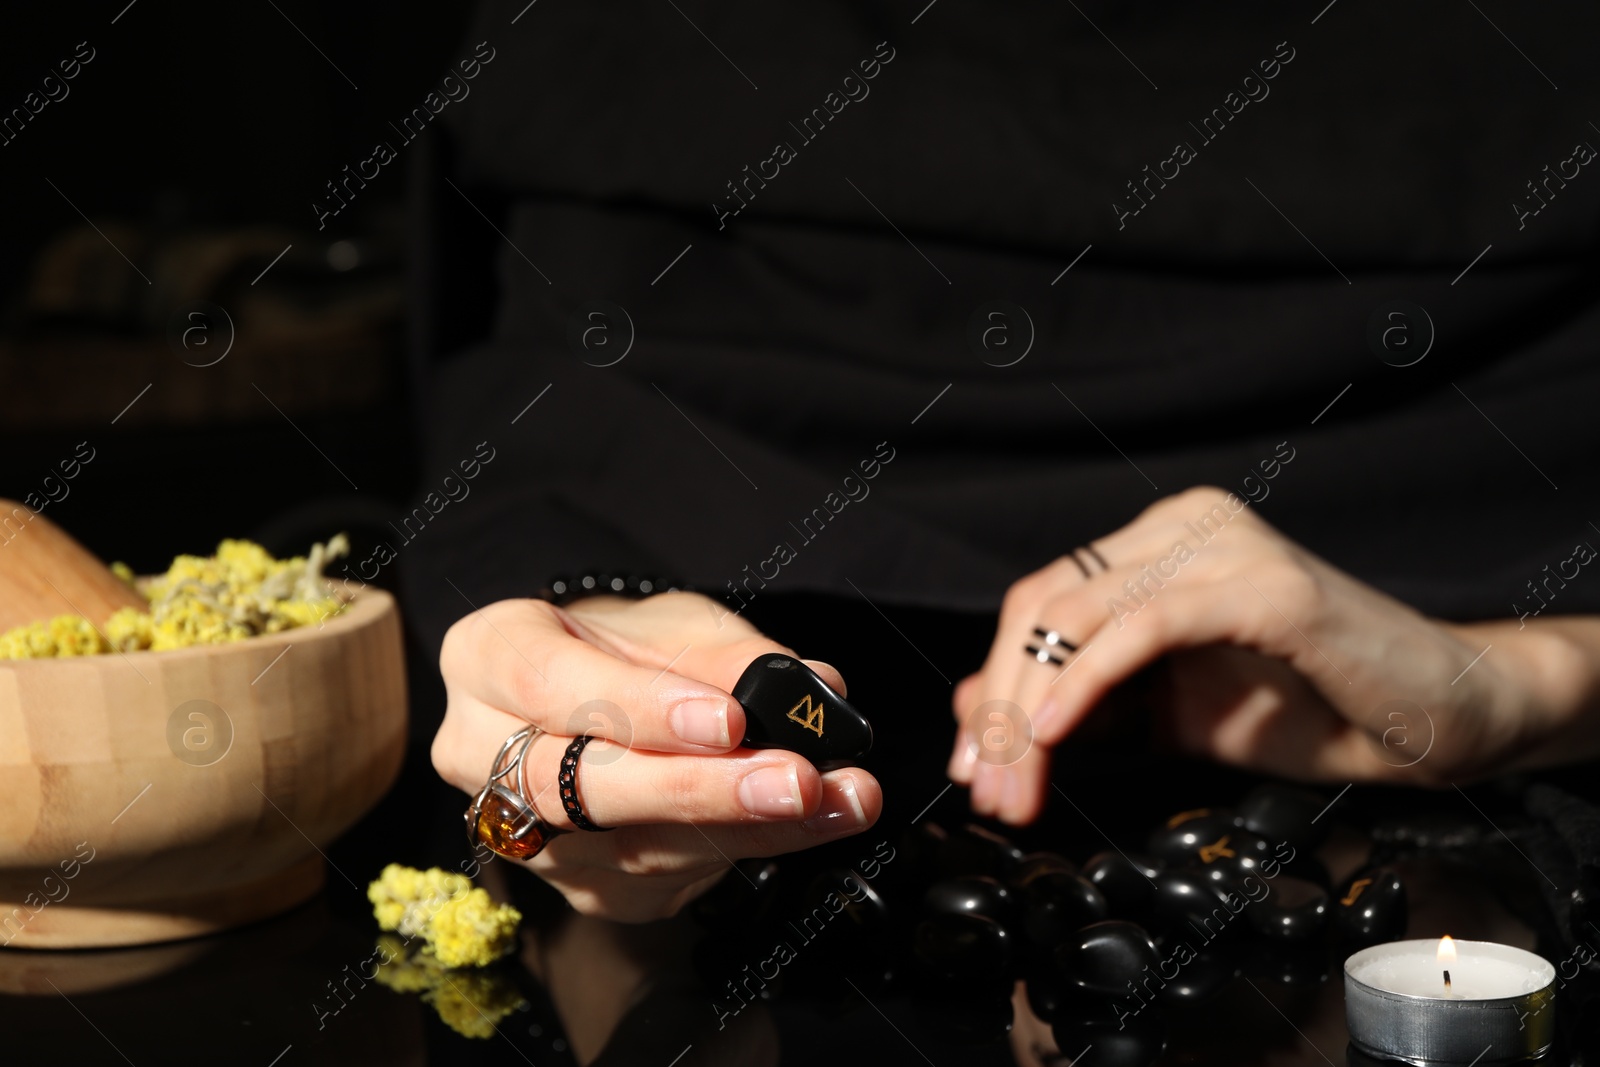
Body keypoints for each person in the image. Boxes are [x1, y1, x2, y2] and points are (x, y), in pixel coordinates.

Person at [415, 0, 1600, 921]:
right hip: (724, 858)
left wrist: (1534, 681)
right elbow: (533, 405)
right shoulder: (632, 73)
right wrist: (554, 647)